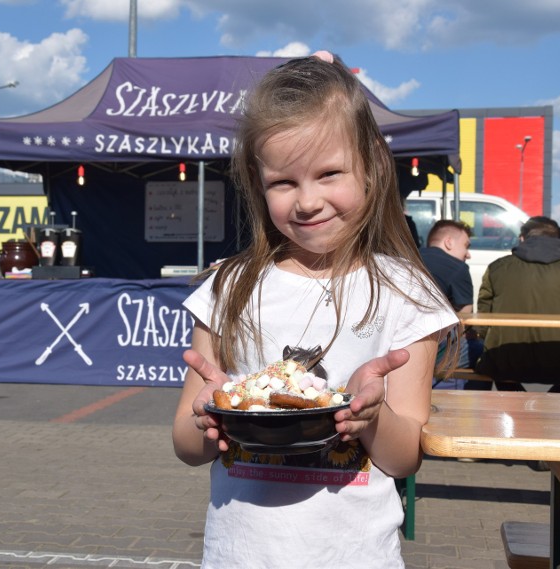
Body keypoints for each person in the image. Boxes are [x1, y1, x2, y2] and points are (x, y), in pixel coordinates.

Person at [171, 51, 458, 568]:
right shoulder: (228, 287)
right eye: (284, 182)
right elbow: (187, 447)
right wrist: (207, 415)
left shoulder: (407, 293)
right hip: (239, 555)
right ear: (258, 183)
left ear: (370, 166)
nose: (306, 201)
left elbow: (403, 456)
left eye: (329, 173)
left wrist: (372, 414)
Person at [473, 216, 560, 392]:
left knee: (496, 367)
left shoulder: (497, 267)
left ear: (522, 238)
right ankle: (546, 407)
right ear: (559, 240)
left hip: (505, 360)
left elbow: (483, 321)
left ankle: (522, 409)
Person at [420, 220, 474, 386]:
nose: (468, 254)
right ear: (449, 242)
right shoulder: (457, 268)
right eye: (466, 245)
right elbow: (466, 316)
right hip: (433, 343)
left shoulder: (407, 256)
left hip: (396, 339)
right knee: (473, 349)